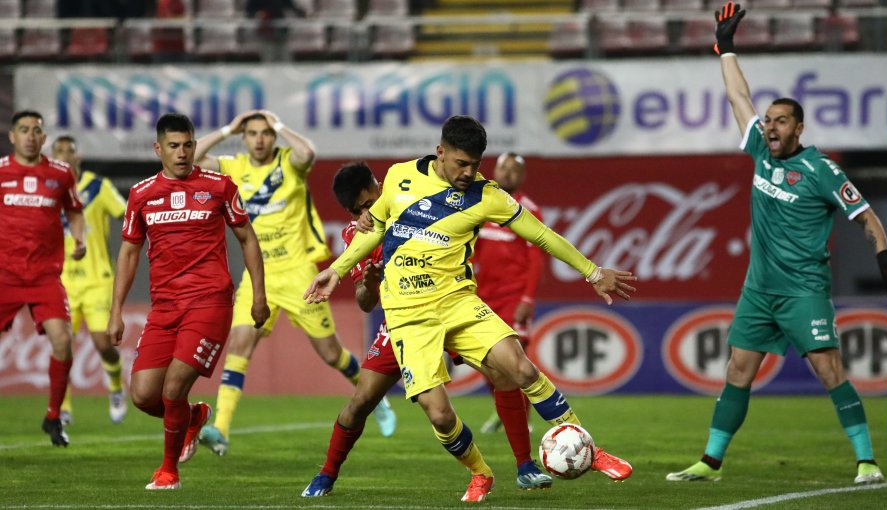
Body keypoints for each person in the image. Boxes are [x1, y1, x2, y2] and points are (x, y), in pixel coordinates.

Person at [305, 115, 637, 502]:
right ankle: (480, 472)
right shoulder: (399, 177)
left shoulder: (487, 195)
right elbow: (376, 229)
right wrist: (335, 270)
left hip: (458, 303)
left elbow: (543, 236)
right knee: (441, 416)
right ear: (440, 152)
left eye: (476, 164)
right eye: (461, 163)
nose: (469, 172)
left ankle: (588, 450)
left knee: (520, 368)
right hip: (409, 317)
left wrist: (594, 273)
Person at [665, 2, 887, 485]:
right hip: (759, 289)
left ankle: (868, 462)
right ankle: (709, 462)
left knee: (829, 371)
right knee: (737, 372)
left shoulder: (822, 171)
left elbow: (866, 215)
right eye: (768, 120)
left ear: (799, 128)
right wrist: (726, 49)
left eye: (780, 121)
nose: (769, 126)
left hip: (803, 289)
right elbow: (737, 98)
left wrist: (885, 258)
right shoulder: (759, 151)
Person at [302, 162, 553, 498]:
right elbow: (364, 302)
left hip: (447, 305)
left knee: (505, 372)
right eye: (359, 209)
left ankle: (525, 466)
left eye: (369, 201)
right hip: (404, 321)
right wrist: (370, 282)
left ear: (379, 186)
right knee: (366, 401)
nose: (367, 211)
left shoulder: (414, 198)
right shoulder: (356, 235)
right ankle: (327, 474)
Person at [192, 110, 395, 456]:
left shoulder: (289, 162)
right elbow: (193, 159)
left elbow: (308, 154)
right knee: (240, 343)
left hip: (299, 269)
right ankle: (221, 429)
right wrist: (228, 127)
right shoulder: (235, 166)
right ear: (244, 137)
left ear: (274, 137)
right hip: (260, 273)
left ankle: (375, 400)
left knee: (330, 353)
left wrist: (280, 124)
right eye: (252, 133)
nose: (259, 139)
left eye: (265, 133)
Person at [108, 113, 269, 490]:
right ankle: (195, 417)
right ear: (158, 149)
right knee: (144, 396)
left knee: (172, 389)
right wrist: (115, 310)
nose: (182, 153)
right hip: (164, 307)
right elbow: (129, 253)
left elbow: (247, 239)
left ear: (196, 145)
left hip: (209, 301)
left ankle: (168, 472)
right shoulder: (141, 194)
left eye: (188, 145)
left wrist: (258, 295)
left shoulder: (220, 186)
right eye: (174, 146)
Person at [0, 110, 85, 447]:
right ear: (12, 136)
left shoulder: (61, 174)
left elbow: (74, 210)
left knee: (63, 341)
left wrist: (79, 238)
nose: (31, 136)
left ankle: (53, 417)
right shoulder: (1, 171)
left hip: (45, 276)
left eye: (37, 130)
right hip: (5, 274)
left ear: (44, 137)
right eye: (24, 130)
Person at [52, 135, 129, 426]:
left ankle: (115, 388)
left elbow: (126, 213)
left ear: (77, 157)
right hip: (62, 282)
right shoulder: (48, 191)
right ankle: (64, 406)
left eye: (68, 151)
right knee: (61, 345)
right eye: (57, 152)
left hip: (98, 280)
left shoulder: (97, 187)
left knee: (103, 345)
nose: (63, 156)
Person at [470, 152, 545, 436]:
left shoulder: (528, 210)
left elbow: (537, 259)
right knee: (486, 360)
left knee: (516, 361)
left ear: (522, 177)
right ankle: (504, 409)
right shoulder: (483, 206)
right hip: (483, 297)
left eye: (515, 170)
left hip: (514, 297)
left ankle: (523, 421)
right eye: (504, 168)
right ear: (495, 171)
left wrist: (527, 298)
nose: (508, 174)